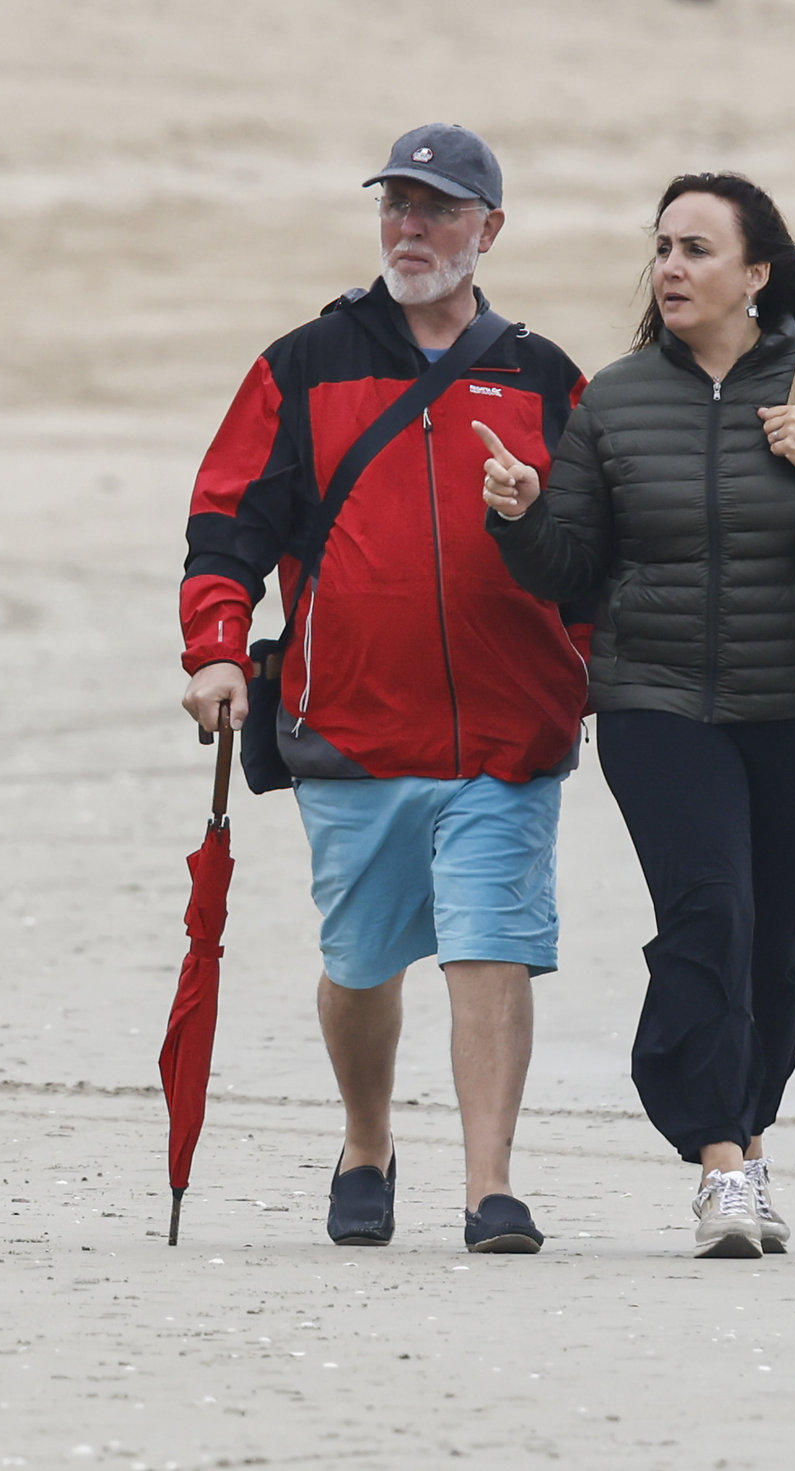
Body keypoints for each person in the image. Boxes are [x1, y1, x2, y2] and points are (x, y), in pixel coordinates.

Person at [478, 171, 795, 1260]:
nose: (671, 267)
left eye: (696, 248)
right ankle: (719, 1161)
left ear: (756, 272)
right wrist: (519, 515)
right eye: (661, 247)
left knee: (780, 939)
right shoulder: (617, 396)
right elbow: (571, 570)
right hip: (657, 703)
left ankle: (747, 1124)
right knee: (710, 917)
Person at [179, 126, 594, 1254]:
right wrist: (216, 646)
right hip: (354, 724)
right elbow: (226, 520)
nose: (410, 226)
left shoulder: (543, 376)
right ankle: (367, 1139)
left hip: (509, 725)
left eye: (438, 207)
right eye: (396, 205)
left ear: (487, 228)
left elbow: (597, 546)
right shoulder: (303, 363)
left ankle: (488, 1186)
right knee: (361, 959)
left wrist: (604, 664)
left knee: (489, 941)